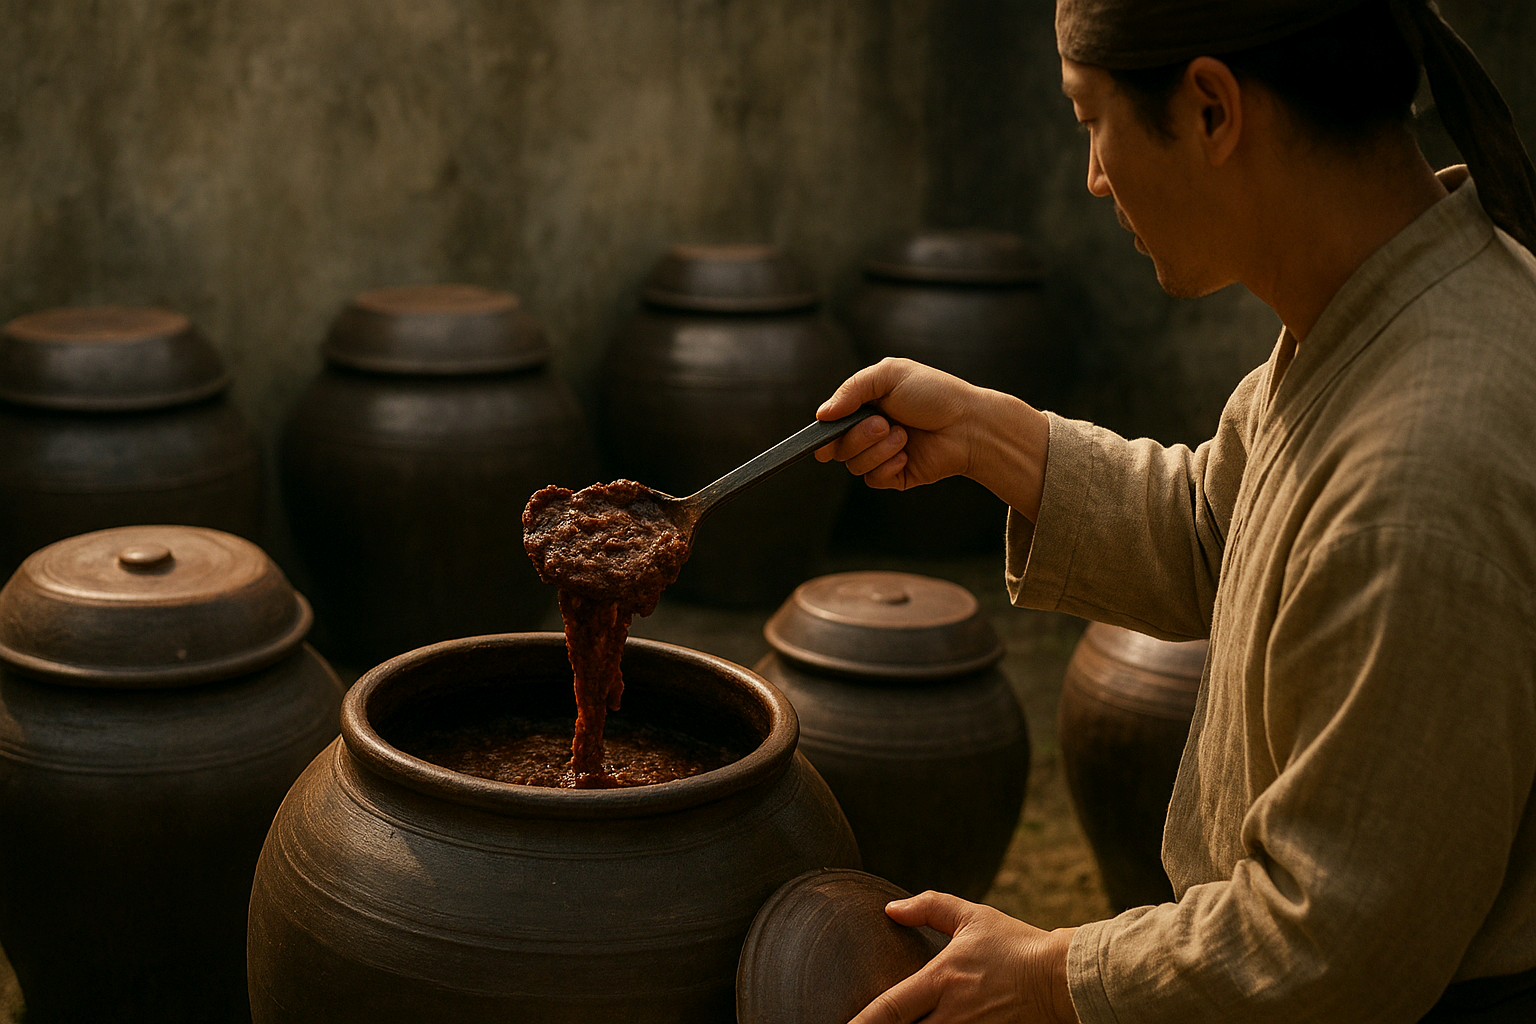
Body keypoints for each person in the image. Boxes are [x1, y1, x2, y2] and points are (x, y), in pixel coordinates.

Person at [814, 1, 1536, 1022]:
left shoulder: (1420, 477)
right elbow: (1223, 528)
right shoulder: (1378, 312)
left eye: (1089, 120)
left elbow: (1333, 944)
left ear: (1209, 110)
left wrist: (1054, 970)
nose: (1095, 178)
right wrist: (991, 439)